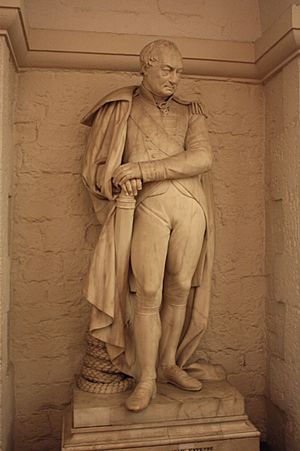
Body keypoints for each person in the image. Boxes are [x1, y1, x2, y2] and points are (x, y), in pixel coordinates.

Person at [81, 39, 214, 412]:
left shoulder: (192, 112)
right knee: (148, 294)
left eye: (179, 71)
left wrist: (143, 169)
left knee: (180, 291)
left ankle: (169, 363)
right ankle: (146, 378)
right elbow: (97, 168)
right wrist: (120, 178)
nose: (175, 78)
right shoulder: (121, 108)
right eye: (168, 70)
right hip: (148, 209)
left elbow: (202, 157)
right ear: (147, 66)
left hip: (190, 207)